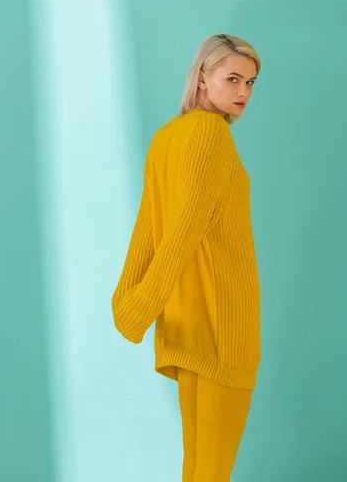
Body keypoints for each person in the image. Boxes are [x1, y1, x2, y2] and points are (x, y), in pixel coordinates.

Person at [111, 33, 262, 481]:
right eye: (232, 78)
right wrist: (139, 307)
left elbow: (147, 233)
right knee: (211, 472)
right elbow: (179, 232)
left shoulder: (166, 138)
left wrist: (126, 299)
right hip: (224, 328)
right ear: (202, 78)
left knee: (196, 470)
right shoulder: (211, 134)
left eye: (251, 83)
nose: (243, 93)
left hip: (187, 326)